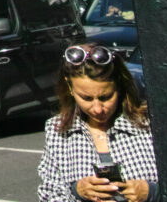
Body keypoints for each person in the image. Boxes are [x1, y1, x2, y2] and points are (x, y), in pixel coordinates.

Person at [37, 44, 156, 202]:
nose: (98, 109)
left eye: (105, 97)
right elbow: (48, 194)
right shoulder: (58, 131)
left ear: (119, 86)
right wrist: (77, 192)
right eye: (86, 98)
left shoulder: (149, 125)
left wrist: (152, 192)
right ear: (70, 87)